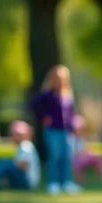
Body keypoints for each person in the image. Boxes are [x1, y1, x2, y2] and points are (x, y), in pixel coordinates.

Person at [30, 65, 83, 195]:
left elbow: (71, 113)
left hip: (66, 132)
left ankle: (66, 182)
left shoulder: (67, 95)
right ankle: (53, 183)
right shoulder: (48, 95)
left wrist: (73, 126)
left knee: (67, 157)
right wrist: (43, 117)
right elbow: (33, 104)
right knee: (55, 156)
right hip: (53, 131)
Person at [72, 115, 102, 184]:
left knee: (96, 155)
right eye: (80, 128)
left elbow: (84, 150)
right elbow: (74, 153)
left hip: (79, 159)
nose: (81, 130)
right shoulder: (70, 138)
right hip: (73, 161)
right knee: (95, 156)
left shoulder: (80, 139)